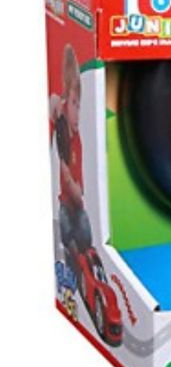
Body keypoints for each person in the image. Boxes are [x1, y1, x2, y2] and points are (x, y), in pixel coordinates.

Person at [50, 45, 92, 269]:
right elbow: (55, 102)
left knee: (86, 232)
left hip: (78, 201)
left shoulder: (78, 140)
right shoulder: (63, 125)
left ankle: (85, 263)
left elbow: (77, 187)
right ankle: (72, 263)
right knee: (66, 230)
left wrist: (77, 190)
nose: (78, 112)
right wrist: (60, 102)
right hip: (66, 203)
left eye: (80, 105)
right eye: (75, 104)